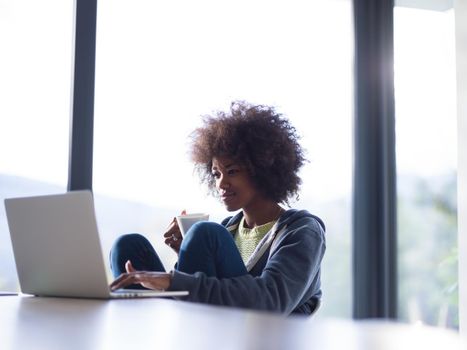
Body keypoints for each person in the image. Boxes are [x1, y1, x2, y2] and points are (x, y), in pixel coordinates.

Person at [109, 101, 326, 315]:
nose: (221, 183)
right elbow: (212, 290)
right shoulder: (228, 229)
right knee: (128, 246)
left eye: (232, 172)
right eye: (216, 174)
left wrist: (175, 280)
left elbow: (270, 300)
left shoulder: (301, 231)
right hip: (210, 322)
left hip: (260, 335)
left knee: (205, 232)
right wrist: (187, 252)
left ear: (262, 169)